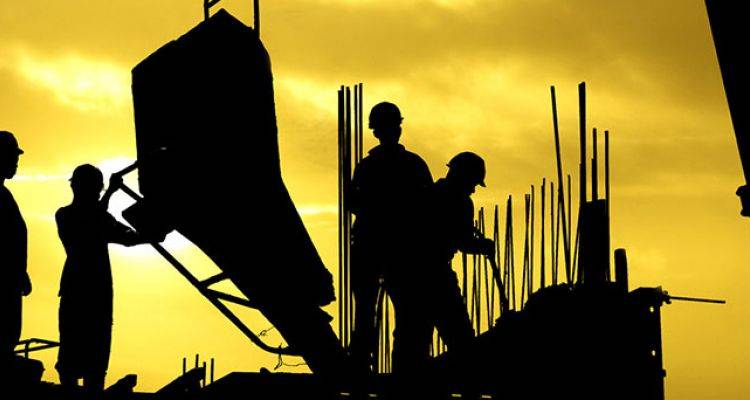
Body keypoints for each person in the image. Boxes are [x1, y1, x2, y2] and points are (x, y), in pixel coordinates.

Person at [388, 152, 494, 397]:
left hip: (407, 275)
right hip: (432, 276)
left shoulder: (425, 194)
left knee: (410, 337)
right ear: (463, 176)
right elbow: (463, 241)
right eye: (473, 182)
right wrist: (483, 246)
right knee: (458, 337)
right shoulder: (457, 202)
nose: (473, 189)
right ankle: (467, 388)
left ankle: (404, 390)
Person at [348, 102, 433, 373]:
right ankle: (396, 373)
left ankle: (363, 370)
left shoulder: (368, 167)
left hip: (378, 247)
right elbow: (428, 208)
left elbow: (353, 203)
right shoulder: (413, 165)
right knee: (400, 315)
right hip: (396, 249)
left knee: (370, 314)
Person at [55, 164, 151, 396]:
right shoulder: (66, 215)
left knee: (96, 359)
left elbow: (127, 237)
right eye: (95, 189)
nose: (97, 193)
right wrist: (110, 193)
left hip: (94, 294)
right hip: (81, 293)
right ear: (79, 188)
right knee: (72, 356)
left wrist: (152, 234)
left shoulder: (98, 216)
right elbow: (90, 222)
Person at [0, 131, 31, 372]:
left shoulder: (4, 195)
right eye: (12, 156)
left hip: (11, 279)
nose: (16, 162)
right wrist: (17, 272)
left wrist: (21, 272)